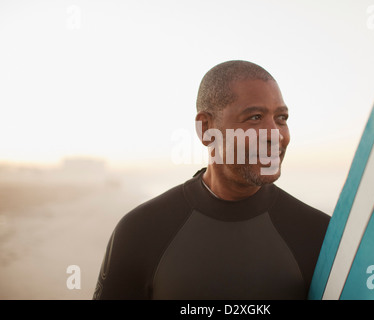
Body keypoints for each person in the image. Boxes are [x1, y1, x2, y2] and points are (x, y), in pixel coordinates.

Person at [93, 60, 330, 300]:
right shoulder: (140, 232)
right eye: (255, 117)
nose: (275, 135)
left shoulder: (321, 237)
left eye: (281, 118)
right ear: (206, 128)